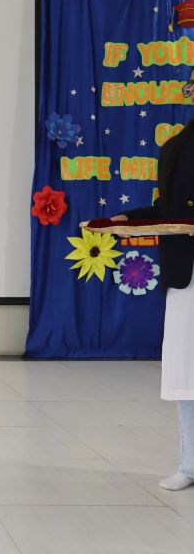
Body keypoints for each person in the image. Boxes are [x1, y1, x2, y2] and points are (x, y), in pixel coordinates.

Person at [112, 107, 194, 491]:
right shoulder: (176, 146)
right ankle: (189, 464)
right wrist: (129, 219)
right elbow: (168, 211)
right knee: (186, 372)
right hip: (185, 274)